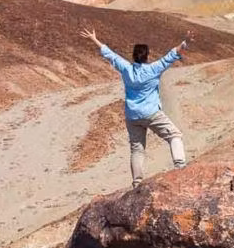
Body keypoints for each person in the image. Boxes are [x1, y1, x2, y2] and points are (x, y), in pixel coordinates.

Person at [79, 28, 192, 187]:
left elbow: (110, 54)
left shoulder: (126, 69)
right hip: (151, 113)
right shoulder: (154, 68)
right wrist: (185, 42)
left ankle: (137, 182)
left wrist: (94, 39)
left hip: (132, 116)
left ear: (133, 56)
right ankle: (180, 167)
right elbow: (172, 54)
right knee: (174, 135)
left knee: (137, 149)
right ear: (147, 56)